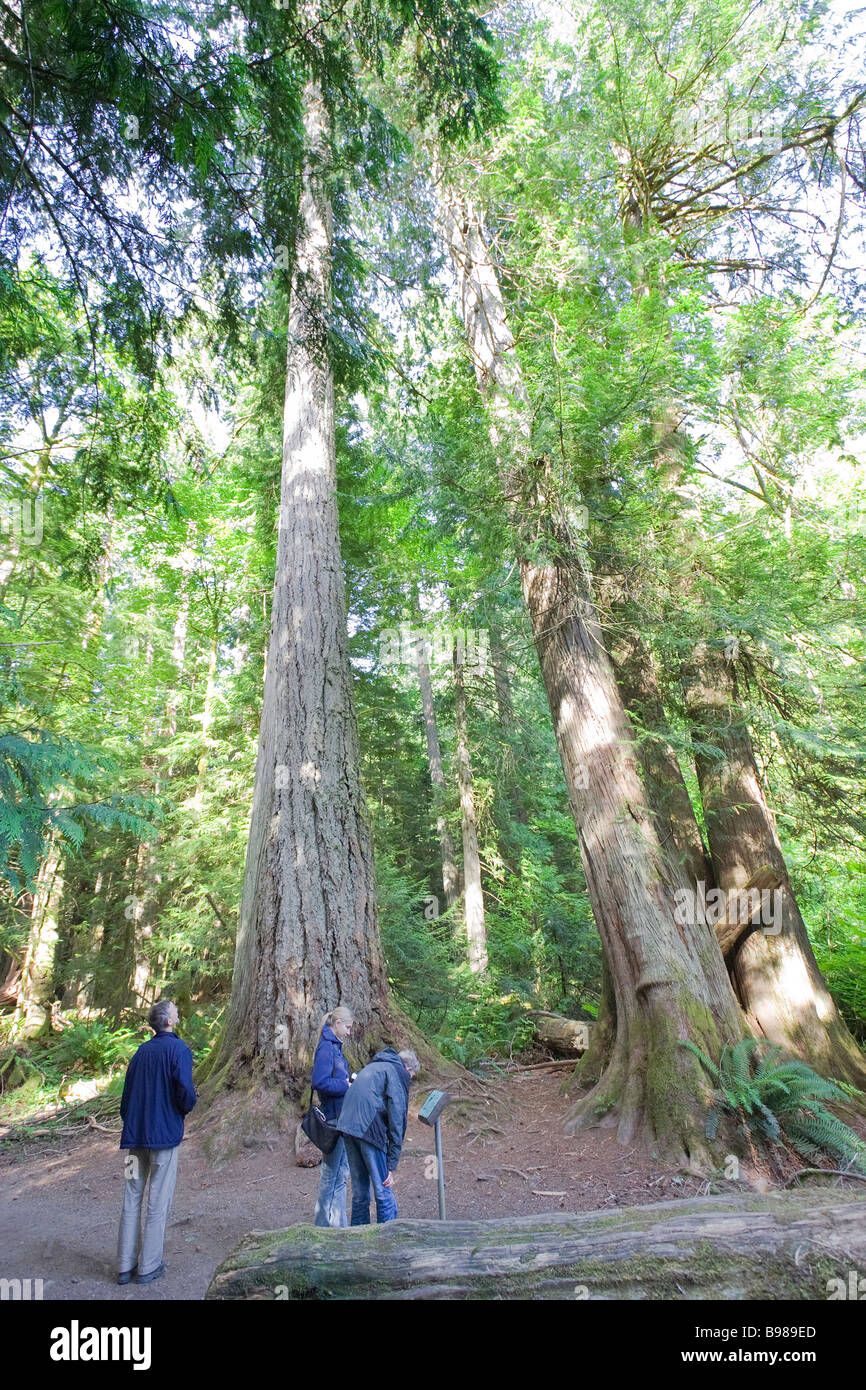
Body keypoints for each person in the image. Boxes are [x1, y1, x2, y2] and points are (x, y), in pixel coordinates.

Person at [116, 998, 197, 1285]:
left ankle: (124, 1264)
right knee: (158, 1200)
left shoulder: (140, 1053)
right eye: (175, 1011)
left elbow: (125, 1101)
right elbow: (185, 1091)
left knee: (132, 1196)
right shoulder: (178, 1050)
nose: (177, 1013)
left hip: (135, 1140)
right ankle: (148, 1265)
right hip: (164, 1139)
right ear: (169, 1021)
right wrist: (182, 1111)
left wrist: (133, 1123)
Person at [336, 1046, 420, 1225]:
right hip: (368, 1127)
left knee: (360, 1194)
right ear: (408, 1069)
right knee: (383, 1191)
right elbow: (397, 1119)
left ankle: (359, 1240)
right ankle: (387, 1241)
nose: (409, 1081)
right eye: (411, 1078)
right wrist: (390, 1164)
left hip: (346, 1124)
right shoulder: (396, 1072)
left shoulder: (376, 1065)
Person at [310, 1005, 354, 1227]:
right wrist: (345, 1085)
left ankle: (338, 1226)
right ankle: (321, 1226)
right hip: (334, 1118)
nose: (349, 1032)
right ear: (337, 1024)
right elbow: (319, 1081)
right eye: (347, 1027)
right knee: (330, 1175)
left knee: (340, 1175)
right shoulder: (327, 1047)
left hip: (342, 1117)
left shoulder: (335, 1046)